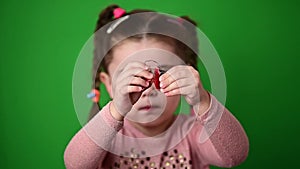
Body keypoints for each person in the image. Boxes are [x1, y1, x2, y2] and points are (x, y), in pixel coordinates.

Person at [64, 4, 249, 169]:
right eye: (131, 77)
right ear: (109, 83)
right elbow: (75, 164)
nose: (147, 89)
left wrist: (202, 100)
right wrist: (115, 110)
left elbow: (235, 156)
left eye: (162, 73)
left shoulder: (193, 133)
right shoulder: (106, 139)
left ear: (185, 76)